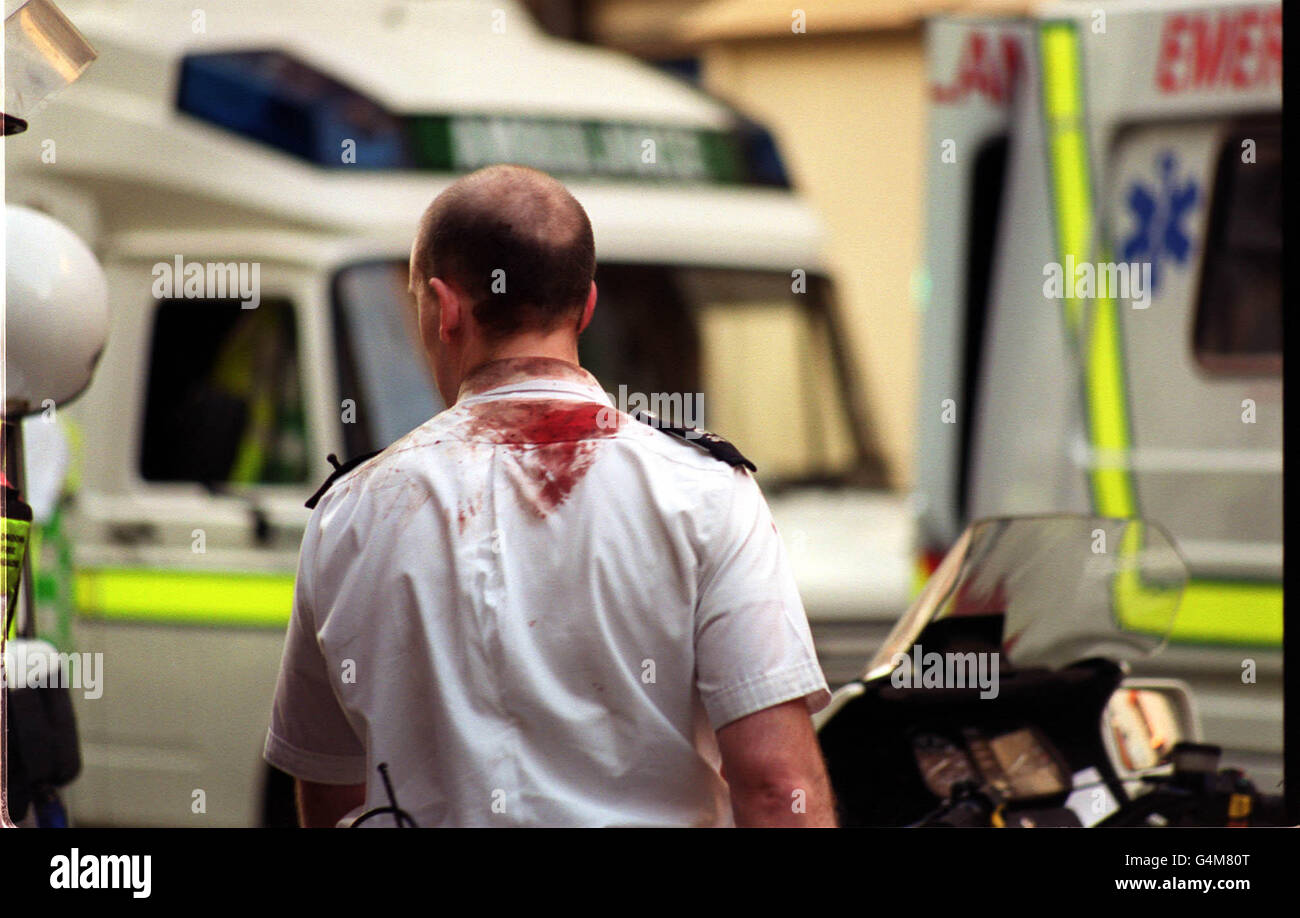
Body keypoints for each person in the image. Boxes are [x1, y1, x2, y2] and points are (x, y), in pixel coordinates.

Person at [264, 164, 836, 827]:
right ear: (585, 305)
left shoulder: (351, 512)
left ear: (446, 309)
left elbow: (335, 794)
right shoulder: (706, 493)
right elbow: (776, 786)